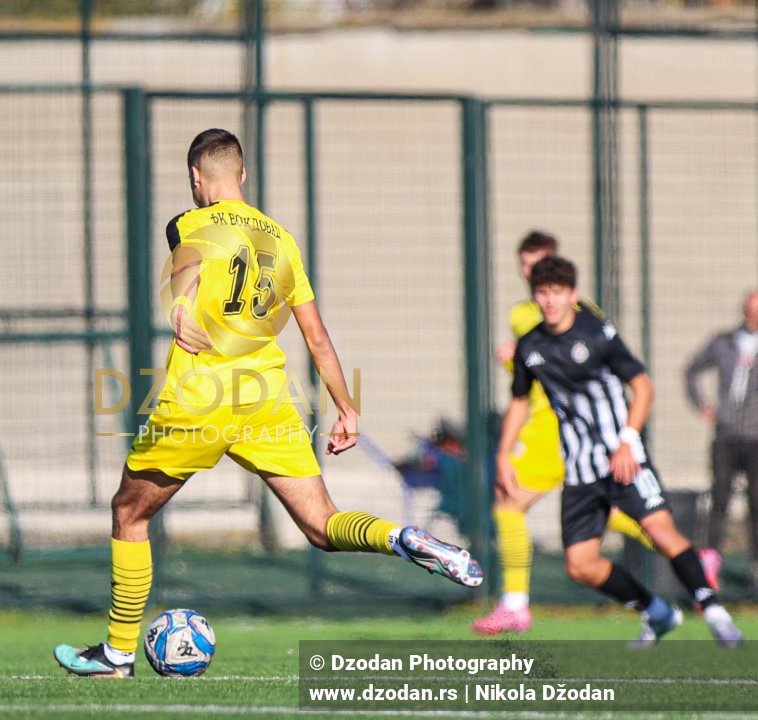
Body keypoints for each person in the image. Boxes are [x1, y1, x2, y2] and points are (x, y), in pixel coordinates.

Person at [54, 128, 483, 678]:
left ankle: (116, 655)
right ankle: (399, 538)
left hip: (201, 399)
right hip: (267, 400)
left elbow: (184, 267)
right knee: (324, 527)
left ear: (194, 178)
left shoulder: (189, 223)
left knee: (128, 513)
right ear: (244, 175)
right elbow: (316, 335)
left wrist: (180, 308)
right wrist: (346, 407)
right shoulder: (281, 240)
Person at [496, 255, 743, 648]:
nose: (550, 301)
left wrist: (628, 439)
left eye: (557, 292)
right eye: (542, 293)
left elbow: (642, 386)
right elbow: (520, 401)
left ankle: (716, 614)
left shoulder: (597, 334)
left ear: (573, 295)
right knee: (580, 566)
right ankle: (657, 611)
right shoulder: (531, 346)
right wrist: (503, 455)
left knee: (661, 531)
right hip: (579, 471)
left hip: (624, 459)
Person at [473, 231, 659, 636]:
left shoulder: (569, 312)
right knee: (602, 511)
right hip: (558, 430)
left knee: (507, 506)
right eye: (523, 265)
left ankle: (516, 604)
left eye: (536, 264)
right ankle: (690, 554)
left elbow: (577, 369)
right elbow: (536, 373)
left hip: (552, 430)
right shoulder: (525, 313)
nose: (529, 273)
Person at [685, 289, 758, 592]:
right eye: (754, 308)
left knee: (756, 502)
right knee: (719, 499)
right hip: (726, 435)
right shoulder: (723, 342)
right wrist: (702, 406)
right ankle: (710, 564)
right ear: (744, 309)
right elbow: (691, 371)